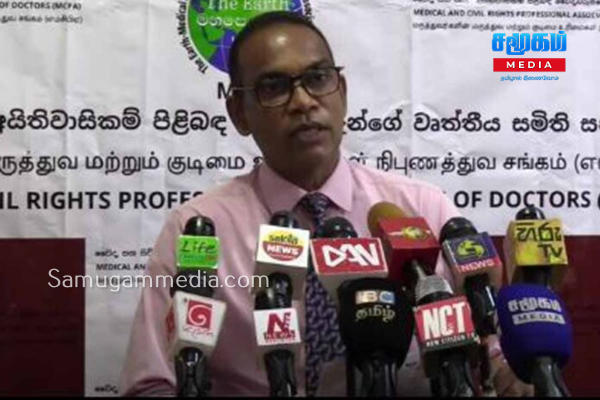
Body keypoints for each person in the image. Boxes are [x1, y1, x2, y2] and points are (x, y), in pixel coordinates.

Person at [119, 11, 533, 396]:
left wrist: (511, 371)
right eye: (274, 87)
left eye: (317, 78)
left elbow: (492, 350)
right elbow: (151, 384)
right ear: (239, 113)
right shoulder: (198, 229)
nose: (303, 102)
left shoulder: (424, 210)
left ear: (342, 91)